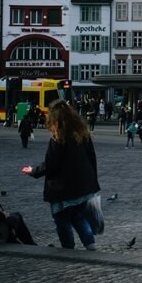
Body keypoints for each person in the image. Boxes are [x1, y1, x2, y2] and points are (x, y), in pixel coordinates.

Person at [24, 100, 101, 251]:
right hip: (83, 187)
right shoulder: (82, 134)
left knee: (62, 220)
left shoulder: (58, 138)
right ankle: (90, 245)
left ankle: (68, 249)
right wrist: (92, 181)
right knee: (79, 217)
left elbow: (51, 164)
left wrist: (33, 171)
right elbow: (92, 158)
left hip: (63, 189)